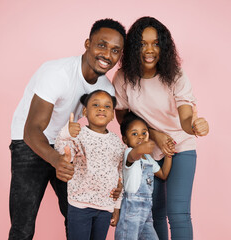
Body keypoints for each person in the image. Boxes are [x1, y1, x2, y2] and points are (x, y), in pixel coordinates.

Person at [9, 18, 126, 240]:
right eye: (102, 45)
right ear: (87, 44)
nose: (107, 54)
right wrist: (54, 159)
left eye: (115, 50)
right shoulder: (57, 72)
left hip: (67, 146)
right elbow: (32, 129)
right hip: (29, 142)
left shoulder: (105, 88)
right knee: (22, 225)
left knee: (75, 219)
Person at [112, 16, 209, 240]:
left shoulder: (175, 75)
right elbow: (123, 119)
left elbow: (185, 117)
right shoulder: (124, 77)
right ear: (134, 47)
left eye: (155, 43)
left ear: (163, 47)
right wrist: (154, 134)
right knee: (154, 213)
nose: (149, 50)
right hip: (146, 151)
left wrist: (194, 126)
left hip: (179, 146)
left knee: (179, 213)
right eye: (143, 43)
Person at [54, 90, 126, 240]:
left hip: (105, 207)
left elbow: (120, 173)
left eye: (107, 106)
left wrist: (117, 206)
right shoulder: (78, 135)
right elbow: (62, 151)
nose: (101, 108)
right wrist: (66, 133)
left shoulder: (116, 142)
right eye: (96, 105)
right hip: (81, 205)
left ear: (112, 114)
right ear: (85, 111)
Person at [115, 112, 172, 240]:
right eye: (134, 134)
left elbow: (163, 174)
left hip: (147, 210)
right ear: (125, 139)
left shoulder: (148, 158)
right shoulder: (129, 153)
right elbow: (135, 155)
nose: (140, 137)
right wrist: (144, 147)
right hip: (131, 208)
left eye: (144, 133)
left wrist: (168, 153)